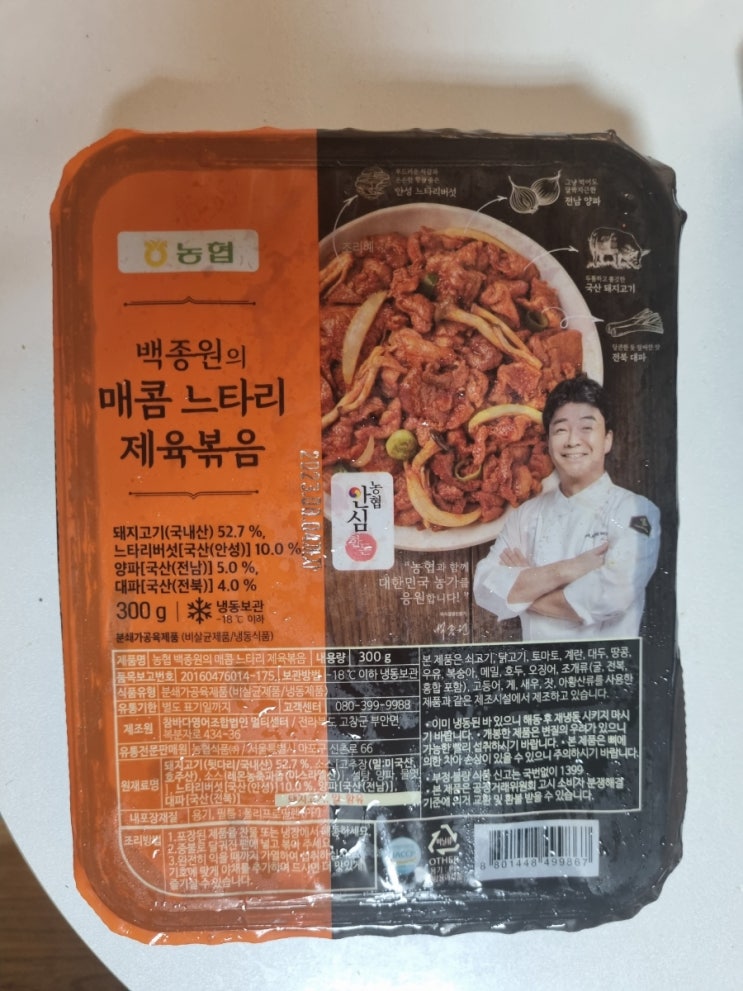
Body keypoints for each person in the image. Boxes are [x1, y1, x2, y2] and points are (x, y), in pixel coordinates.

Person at [473, 375, 660, 640]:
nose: (573, 440)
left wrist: (524, 587)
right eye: (560, 430)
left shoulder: (637, 511)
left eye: (586, 428)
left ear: (607, 440)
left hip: (602, 665)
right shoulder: (526, 515)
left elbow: (610, 596)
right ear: (548, 442)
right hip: (537, 667)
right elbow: (484, 586)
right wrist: (569, 569)